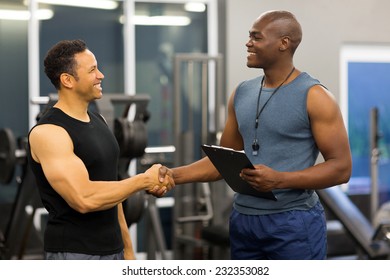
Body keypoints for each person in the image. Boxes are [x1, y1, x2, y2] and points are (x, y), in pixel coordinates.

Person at [171, 10, 352, 259]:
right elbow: (222, 163)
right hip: (243, 221)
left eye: (256, 37)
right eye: (249, 37)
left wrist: (280, 180)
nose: (248, 43)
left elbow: (341, 168)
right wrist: (172, 176)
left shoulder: (315, 96)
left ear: (283, 43)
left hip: (292, 223)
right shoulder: (242, 93)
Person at [27, 39, 174, 260]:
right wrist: (144, 180)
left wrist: (128, 251)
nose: (101, 75)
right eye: (92, 70)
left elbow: (112, 191)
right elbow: (84, 198)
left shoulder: (99, 120)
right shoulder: (49, 132)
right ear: (67, 80)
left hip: (113, 250)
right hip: (74, 254)